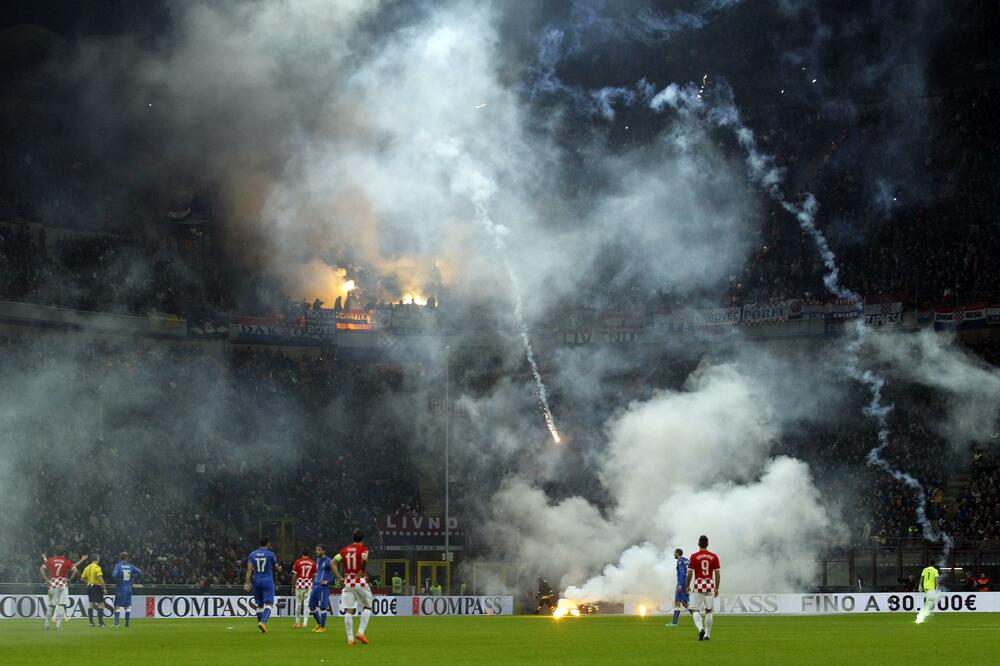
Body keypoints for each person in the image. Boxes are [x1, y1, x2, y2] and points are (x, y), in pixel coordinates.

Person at [334, 529, 373, 645]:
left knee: (348, 610)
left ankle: (350, 639)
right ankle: (360, 632)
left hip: (347, 582)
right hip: (359, 581)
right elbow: (364, 559)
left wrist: (339, 577)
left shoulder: (344, 550)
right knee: (367, 607)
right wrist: (361, 570)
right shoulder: (363, 549)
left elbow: (332, 562)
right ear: (363, 539)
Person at [686, 535, 720, 642]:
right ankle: (707, 635)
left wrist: (687, 585)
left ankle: (701, 629)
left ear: (698, 544)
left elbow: (690, 573)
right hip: (709, 584)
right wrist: (717, 588)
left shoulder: (694, 556)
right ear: (707, 544)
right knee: (709, 610)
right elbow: (717, 573)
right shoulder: (714, 556)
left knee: (694, 609)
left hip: (699, 584)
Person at [40, 547, 80, 630]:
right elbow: (75, 570)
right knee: (61, 605)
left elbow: (41, 569)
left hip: (53, 584)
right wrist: (70, 580)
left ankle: (46, 626)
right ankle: (58, 627)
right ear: (64, 553)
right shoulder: (66, 561)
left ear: (55, 552)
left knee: (51, 606)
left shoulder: (51, 560)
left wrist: (46, 580)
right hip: (63, 584)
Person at [243, 538, 278, 633]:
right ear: (268, 544)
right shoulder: (271, 554)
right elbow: (276, 567)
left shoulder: (252, 554)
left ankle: (261, 627)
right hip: (267, 580)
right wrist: (279, 569)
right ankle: (262, 622)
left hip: (257, 580)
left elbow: (249, 569)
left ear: (259, 544)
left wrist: (247, 583)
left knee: (260, 605)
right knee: (269, 604)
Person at [308, 545, 337, 633]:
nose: (317, 551)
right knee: (311, 606)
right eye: (316, 550)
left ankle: (323, 627)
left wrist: (328, 582)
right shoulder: (317, 560)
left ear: (324, 551)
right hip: (315, 585)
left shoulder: (329, 561)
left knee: (323, 607)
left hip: (322, 587)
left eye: (319, 550)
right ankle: (319, 623)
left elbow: (335, 573)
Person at [111, 552, 143, 628]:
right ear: (127, 558)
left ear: (120, 558)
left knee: (117, 606)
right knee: (127, 606)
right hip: (129, 588)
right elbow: (140, 572)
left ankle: (117, 624)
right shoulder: (131, 566)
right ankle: (127, 624)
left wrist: (117, 578)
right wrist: (133, 577)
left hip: (121, 588)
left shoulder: (118, 566)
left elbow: (114, 575)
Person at [291, 548, 315, 629]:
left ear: (302, 554)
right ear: (309, 554)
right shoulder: (313, 563)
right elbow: (314, 576)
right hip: (309, 584)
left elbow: (294, 575)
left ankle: (297, 623)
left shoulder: (297, 562)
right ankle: (305, 623)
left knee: (298, 603)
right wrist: (312, 584)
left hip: (299, 584)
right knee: (306, 604)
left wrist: (293, 586)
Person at [81, 554, 108, 627]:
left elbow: (82, 578)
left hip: (89, 586)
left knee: (91, 603)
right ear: (98, 559)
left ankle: (91, 623)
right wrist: (104, 588)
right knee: (101, 604)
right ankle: (101, 623)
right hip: (96, 586)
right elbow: (100, 578)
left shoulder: (87, 567)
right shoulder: (97, 567)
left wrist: (88, 582)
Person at [665, 548, 689, 628]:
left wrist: (680, 584)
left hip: (681, 583)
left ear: (677, 553)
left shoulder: (680, 561)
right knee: (685, 603)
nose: (674, 554)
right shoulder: (686, 560)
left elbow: (682, 574)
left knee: (677, 602)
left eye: (674, 553)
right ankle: (697, 616)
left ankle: (674, 623)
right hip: (686, 583)